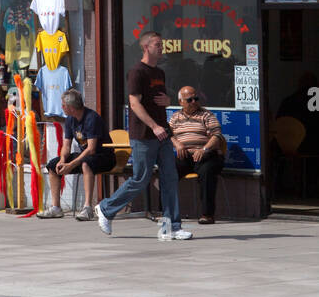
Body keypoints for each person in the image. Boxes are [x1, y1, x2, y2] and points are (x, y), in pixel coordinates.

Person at [93, 30, 193, 241]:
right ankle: (106, 208)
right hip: (144, 135)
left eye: (162, 44)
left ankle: (171, 227)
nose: (162, 48)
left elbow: (158, 99)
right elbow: (134, 104)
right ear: (146, 47)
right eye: (157, 44)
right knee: (140, 179)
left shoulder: (160, 73)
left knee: (170, 178)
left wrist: (168, 102)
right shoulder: (137, 72)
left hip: (162, 134)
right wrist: (154, 126)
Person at [40, 88, 112, 220]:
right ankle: (56, 207)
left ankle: (87, 208)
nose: (62, 107)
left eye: (63, 105)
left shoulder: (92, 118)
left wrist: (71, 165)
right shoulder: (70, 119)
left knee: (86, 164)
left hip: (104, 156)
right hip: (86, 155)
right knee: (53, 165)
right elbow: (66, 145)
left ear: (71, 108)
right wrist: (63, 160)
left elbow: (91, 149)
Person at [170, 86, 225, 224]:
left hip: (207, 154)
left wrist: (204, 149)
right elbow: (168, 135)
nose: (194, 102)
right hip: (185, 155)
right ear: (181, 102)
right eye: (190, 100)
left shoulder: (206, 115)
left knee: (207, 172)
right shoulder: (175, 117)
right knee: (168, 171)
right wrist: (177, 144)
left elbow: (217, 136)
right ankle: (165, 212)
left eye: (196, 98)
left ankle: (207, 215)